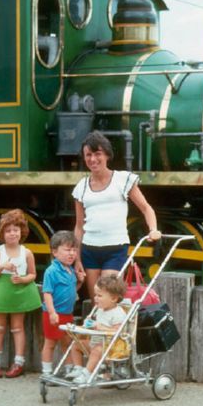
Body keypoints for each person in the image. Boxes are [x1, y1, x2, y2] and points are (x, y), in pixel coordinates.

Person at [72, 131, 161, 300]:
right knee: (96, 301)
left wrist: (153, 229)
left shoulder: (122, 179)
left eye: (97, 154)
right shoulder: (81, 187)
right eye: (88, 155)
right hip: (90, 250)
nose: (93, 159)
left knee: (108, 297)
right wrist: (77, 259)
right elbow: (78, 226)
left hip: (115, 249)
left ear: (107, 155)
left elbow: (146, 208)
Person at [0, 209, 42, 379]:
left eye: (15, 230)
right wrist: (2, 267)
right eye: (8, 231)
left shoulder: (27, 252)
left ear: (21, 232)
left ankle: (19, 362)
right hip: (2, 292)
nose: (12, 234)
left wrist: (23, 280)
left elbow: (33, 274)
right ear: (2, 234)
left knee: (18, 327)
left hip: (19, 292)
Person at [40, 230, 86, 377]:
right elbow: (47, 293)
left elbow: (71, 290)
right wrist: (52, 312)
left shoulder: (70, 270)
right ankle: (46, 372)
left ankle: (68, 369)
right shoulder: (51, 271)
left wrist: (80, 282)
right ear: (55, 252)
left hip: (67, 314)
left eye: (74, 250)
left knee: (67, 343)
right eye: (67, 250)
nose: (71, 253)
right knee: (50, 343)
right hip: (53, 313)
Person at [71, 274, 129, 384]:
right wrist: (87, 325)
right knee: (76, 344)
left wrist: (100, 327)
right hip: (96, 343)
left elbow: (119, 331)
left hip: (111, 348)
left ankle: (87, 374)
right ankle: (78, 369)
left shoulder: (117, 313)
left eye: (99, 296)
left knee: (96, 350)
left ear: (113, 298)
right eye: (95, 295)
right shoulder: (100, 310)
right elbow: (95, 324)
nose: (95, 298)